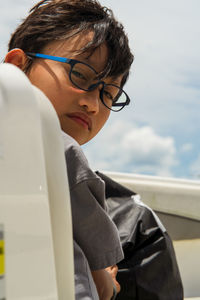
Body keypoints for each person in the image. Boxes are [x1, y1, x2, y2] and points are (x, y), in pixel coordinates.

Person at [4, 0, 134, 299]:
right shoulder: (56, 145)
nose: (92, 103)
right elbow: (98, 248)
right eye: (80, 75)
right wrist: (103, 274)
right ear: (17, 67)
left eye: (108, 95)